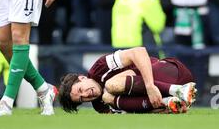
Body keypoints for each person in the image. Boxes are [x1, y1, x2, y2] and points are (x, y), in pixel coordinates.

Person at [59, 46, 197, 114]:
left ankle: (178, 90)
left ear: (82, 78)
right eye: (82, 99)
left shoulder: (99, 68)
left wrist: (149, 86)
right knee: (110, 98)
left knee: (110, 86)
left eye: (80, 90)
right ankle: (170, 102)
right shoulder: (100, 106)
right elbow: (134, 114)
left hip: (172, 72)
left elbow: (139, 51)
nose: (86, 95)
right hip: (168, 98)